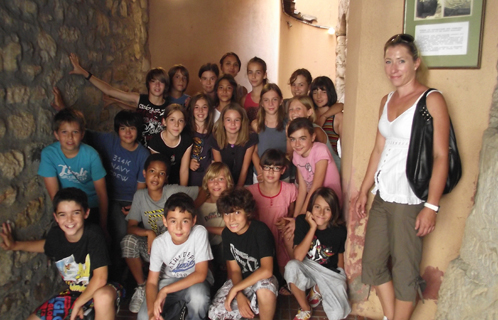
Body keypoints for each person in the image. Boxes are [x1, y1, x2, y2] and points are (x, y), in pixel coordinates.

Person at [354, 34, 450, 320]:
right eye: (388, 61)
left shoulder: (431, 99)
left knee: (405, 269)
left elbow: (441, 157)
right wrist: (363, 190)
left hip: (410, 198)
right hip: (384, 194)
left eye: (401, 61)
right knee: (372, 263)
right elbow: (379, 148)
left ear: (416, 63)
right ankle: (392, 316)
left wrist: (431, 207)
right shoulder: (387, 99)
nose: (393, 68)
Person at [51, 87, 150, 279]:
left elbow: (141, 188)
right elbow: (80, 131)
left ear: (138, 131)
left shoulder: (142, 154)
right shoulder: (108, 140)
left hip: (130, 201)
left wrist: (134, 208)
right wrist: (62, 107)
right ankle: (107, 272)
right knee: (108, 232)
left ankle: (124, 274)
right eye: (123, 128)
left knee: (123, 233)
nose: (127, 132)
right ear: (117, 130)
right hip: (110, 198)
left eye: (132, 128)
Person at [1, 188, 118, 320]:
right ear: (56, 217)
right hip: (72, 294)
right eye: (62, 214)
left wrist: (77, 304)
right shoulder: (56, 236)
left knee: (103, 296)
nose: (69, 220)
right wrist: (15, 245)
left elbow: (100, 279)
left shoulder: (94, 235)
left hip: (103, 289)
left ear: (86, 213)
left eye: (75, 213)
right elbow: (45, 245)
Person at [120, 154, 200, 313]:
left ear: (166, 178)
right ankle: (142, 286)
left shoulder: (172, 191)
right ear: (144, 173)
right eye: (152, 171)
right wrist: (148, 233)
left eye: (161, 173)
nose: (156, 177)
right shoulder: (140, 196)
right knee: (128, 241)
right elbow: (131, 227)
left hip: (175, 250)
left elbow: (202, 191)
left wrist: (189, 214)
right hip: (152, 249)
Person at [68, 53, 170, 147]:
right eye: (153, 81)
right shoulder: (139, 99)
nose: (157, 85)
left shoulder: (169, 108)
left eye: (161, 82)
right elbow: (109, 90)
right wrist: (85, 73)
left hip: (158, 154)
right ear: (148, 84)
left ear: (165, 85)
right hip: (137, 149)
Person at [140, 192, 213, 320]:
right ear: (165, 221)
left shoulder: (199, 233)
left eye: (185, 221)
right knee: (144, 317)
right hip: (169, 281)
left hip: (195, 282)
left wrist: (165, 291)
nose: (178, 228)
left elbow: (200, 274)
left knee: (198, 297)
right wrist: (152, 313)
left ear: (193, 221)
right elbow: (151, 282)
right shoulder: (159, 243)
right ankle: (179, 309)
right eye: (173, 221)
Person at [208, 188, 278, 320]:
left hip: (262, 278)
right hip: (241, 281)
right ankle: (249, 308)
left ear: (248, 212)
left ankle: (263, 310)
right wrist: (239, 295)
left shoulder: (260, 230)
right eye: (227, 214)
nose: (232, 219)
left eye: (237, 212)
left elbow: (267, 270)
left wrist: (235, 290)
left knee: (265, 290)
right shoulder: (227, 234)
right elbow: (234, 271)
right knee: (215, 313)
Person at [37, 107, 108, 232]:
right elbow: (55, 194)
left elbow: (101, 194)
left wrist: (103, 225)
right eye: (64, 132)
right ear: (56, 134)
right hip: (67, 206)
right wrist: (63, 217)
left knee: (93, 237)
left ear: (82, 134)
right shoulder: (49, 154)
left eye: (75, 132)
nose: (70, 137)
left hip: (90, 205)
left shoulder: (92, 155)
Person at [284, 187, 350, 320]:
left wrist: (340, 282)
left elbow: (340, 258)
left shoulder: (339, 231)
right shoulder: (302, 221)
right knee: (291, 267)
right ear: (311, 208)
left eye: (327, 209)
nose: (321, 213)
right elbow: (298, 257)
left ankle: (318, 290)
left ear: (333, 212)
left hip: (328, 272)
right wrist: (312, 228)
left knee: (337, 314)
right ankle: (305, 308)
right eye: (317, 207)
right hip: (307, 266)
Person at [246, 149, 297, 275]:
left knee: (285, 272)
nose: (270, 172)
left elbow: (292, 212)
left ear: (283, 170)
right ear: (261, 168)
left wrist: (287, 219)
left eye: (275, 168)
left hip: (281, 237)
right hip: (258, 238)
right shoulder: (251, 192)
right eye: (267, 167)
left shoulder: (290, 190)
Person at [287, 118, 342, 216]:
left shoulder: (320, 150)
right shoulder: (296, 155)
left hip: (329, 204)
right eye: (293, 139)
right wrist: (296, 218)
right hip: (315, 202)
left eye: (302, 138)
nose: (297, 144)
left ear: (312, 137)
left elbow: (317, 185)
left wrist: (302, 215)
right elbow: (303, 189)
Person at [196, 162, 234, 290]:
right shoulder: (201, 206)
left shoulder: (232, 204)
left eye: (221, 179)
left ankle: (229, 282)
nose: (216, 183)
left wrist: (207, 228)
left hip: (224, 248)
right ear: (206, 183)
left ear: (228, 182)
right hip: (205, 248)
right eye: (212, 179)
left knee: (228, 242)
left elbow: (232, 230)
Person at [209, 103, 258, 187]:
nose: (232, 123)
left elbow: (244, 169)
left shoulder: (250, 137)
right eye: (228, 120)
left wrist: (238, 188)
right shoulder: (215, 138)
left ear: (242, 122)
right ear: (223, 122)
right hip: (223, 181)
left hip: (245, 181)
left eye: (237, 120)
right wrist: (227, 189)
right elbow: (220, 169)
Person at [288, 95, 341, 171]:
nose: (294, 112)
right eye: (291, 109)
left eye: (298, 109)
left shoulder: (316, 130)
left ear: (309, 112)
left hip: (330, 173)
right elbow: (292, 158)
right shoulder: (292, 130)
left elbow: (312, 161)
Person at [251, 83, 290, 183]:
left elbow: (290, 154)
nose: (270, 104)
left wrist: (277, 171)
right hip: (260, 174)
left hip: (282, 175)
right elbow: (254, 152)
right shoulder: (256, 125)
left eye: (274, 99)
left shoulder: (288, 126)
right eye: (266, 100)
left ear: (281, 101)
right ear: (262, 103)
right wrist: (261, 173)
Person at [148, 104, 193, 186]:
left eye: (180, 120)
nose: (176, 124)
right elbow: (160, 171)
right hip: (161, 181)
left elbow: (184, 170)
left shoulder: (187, 141)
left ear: (185, 123)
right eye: (172, 120)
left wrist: (182, 192)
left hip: (177, 180)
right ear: (164, 122)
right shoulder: (156, 142)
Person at [186, 93, 215, 186]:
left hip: (206, 178)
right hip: (188, 177)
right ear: (191, 109)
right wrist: (188, 162)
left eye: (204, 107)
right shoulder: (186, 130)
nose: (200, 111)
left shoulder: (213, 133)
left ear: (209, 109)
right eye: (196, 107)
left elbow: (214, 158)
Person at [310, 76, 344, 155]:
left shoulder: (338, 117)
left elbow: (345, 148)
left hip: (330, 163)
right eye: (315, 92)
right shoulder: (309, 114)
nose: (319, 96)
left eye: (323, 92)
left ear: (330, 93)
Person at [241, 57, 268, 122]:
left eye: (258, 72)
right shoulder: (244, 100)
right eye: (250, 72)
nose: (253, 76)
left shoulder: (271, 97)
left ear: (264, 75)